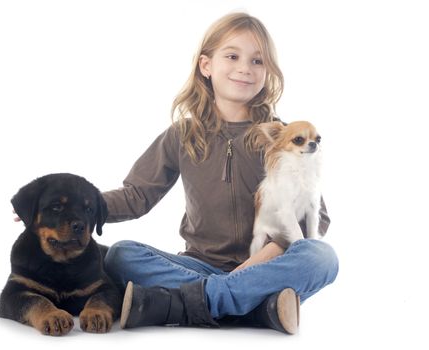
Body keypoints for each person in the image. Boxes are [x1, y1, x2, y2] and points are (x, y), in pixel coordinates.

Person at [102, 12, 338, 334]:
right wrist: (67, 208)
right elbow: (136, 196)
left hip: (266, 266)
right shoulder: (182, 135)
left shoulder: (282, 137)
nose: (245, 68)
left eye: (257, 61)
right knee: (121, 255)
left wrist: (262, 259)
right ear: (206, 66)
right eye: (232, 56)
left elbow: (315, 214)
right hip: (197, 264)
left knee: (321, 258)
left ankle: (184, 303)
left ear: (267, 72)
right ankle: (256, 310)